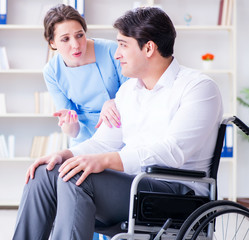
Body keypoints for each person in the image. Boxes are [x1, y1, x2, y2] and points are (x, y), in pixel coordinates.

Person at [13, 6, 223, 240]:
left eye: (123, 45)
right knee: (46, 172)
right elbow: (103, 143)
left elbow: (173, 152)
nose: (116, 54)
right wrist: (65, 154)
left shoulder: (198, 88)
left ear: (149, 48)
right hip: (134, 185)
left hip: (177, 193)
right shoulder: (128, 91)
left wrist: (104, 161)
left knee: (77, 176)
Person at [43, 4, 128, 146]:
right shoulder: (51, 71)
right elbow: (73, 132)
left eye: (79, 35)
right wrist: (70, 122)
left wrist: (114, 102)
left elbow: (136, 92)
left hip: (121, 128)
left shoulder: (111, 50)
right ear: (53, 43)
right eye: (65, 39)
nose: (76, 44)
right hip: (86, 138)